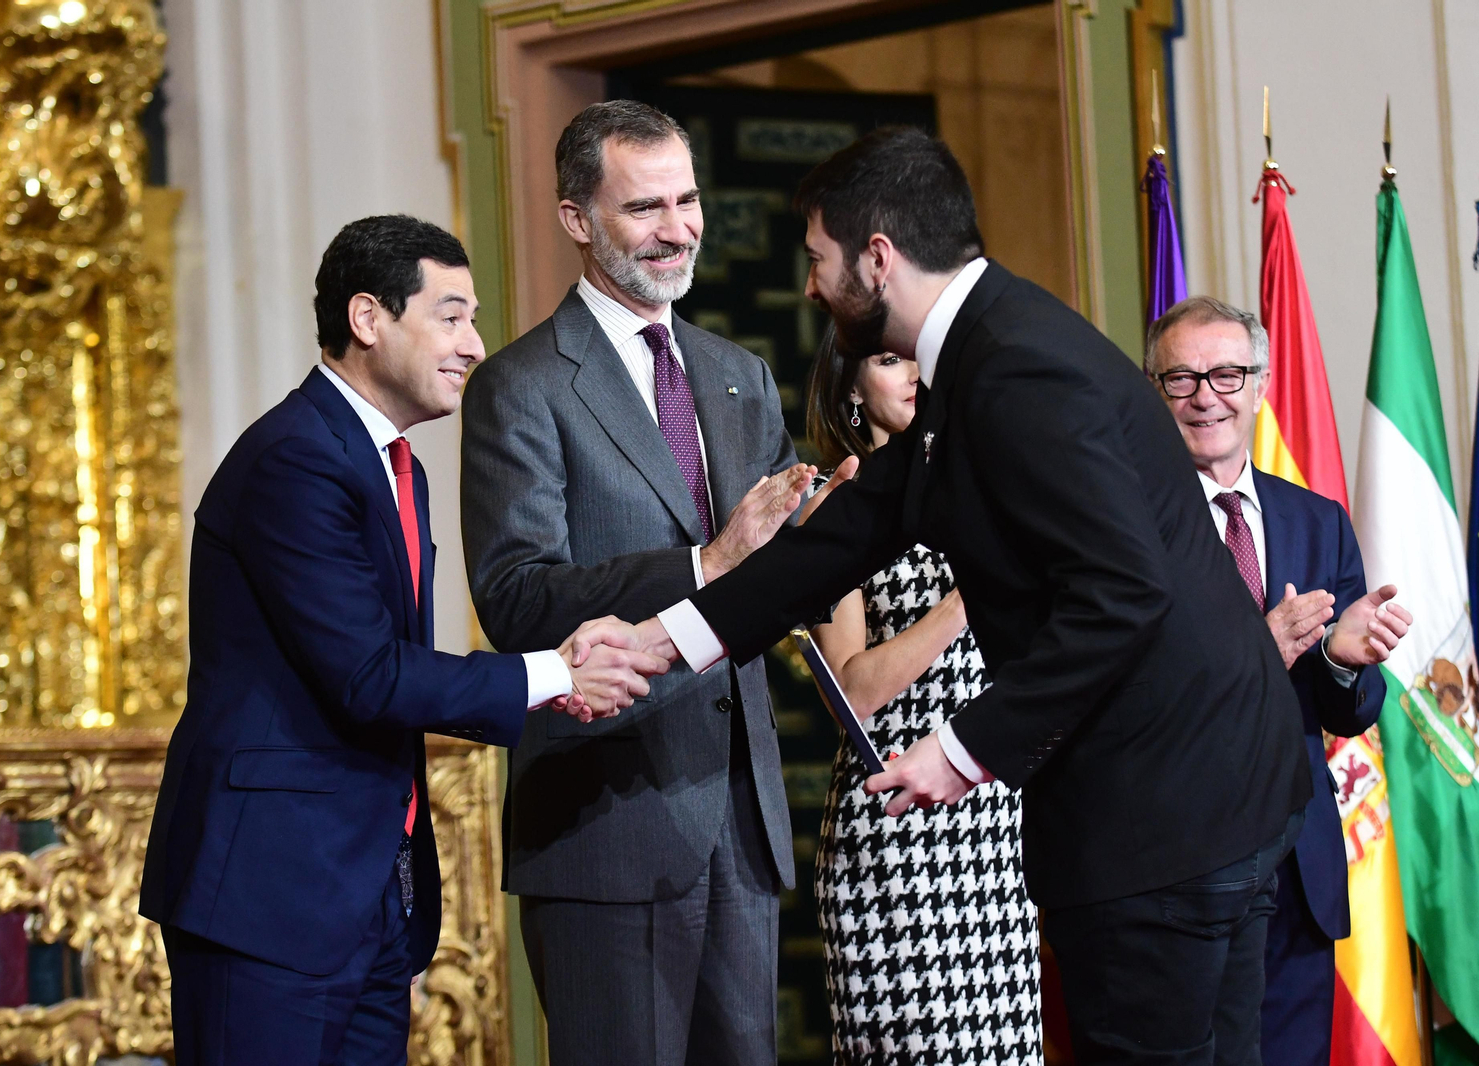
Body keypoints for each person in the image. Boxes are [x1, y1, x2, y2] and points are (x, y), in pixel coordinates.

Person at [573, 126, 1314, 1065]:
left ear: (877, 259)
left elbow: (1124, 596)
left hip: (1164, 820)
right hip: (1212, 799)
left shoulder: (1016, 369)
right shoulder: (986, 346)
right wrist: (660, 641)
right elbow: (848, 534)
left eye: (819, 259)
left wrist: (962, 751)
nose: (811, 287)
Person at [139, 215, 665, 1065]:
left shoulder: (392, 466)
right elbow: (371, 676)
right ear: (367, 318)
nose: (474, 345)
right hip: (270, 898)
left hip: (367, 896)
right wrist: (554, 673)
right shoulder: (294, 460)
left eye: (474, 319)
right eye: (450, 317)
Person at [459, 101, 812, 1066]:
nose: (678, 229)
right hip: (605, 823)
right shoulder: (521, 386)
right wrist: (704, 566)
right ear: (577, 218)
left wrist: (833, 534)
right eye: (645, 207)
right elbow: (518, 598)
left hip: (738, 822)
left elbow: (775, 568)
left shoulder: (739, 374)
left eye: (687, 201)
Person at [1146, 296, 1412, 1066]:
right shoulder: (1129, 526)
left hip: (1298, 870)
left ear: (1260, 385)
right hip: (1179, 870)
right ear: (1154, 392)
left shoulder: (1317, 519)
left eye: (1228, 375)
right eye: (1182, 378)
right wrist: (1257, 649)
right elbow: (1127, 691)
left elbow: (1352, 712)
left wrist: (1342, 660)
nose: (1207, 396)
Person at [804, 327, 1041, 1065]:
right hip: (894, 833)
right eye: (887, 360)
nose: (912, 373)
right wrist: (962, 603)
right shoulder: (835, 505)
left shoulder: (993, 491)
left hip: (995, 826)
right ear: (850, 387)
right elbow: (849, 690)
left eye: (919, 357)